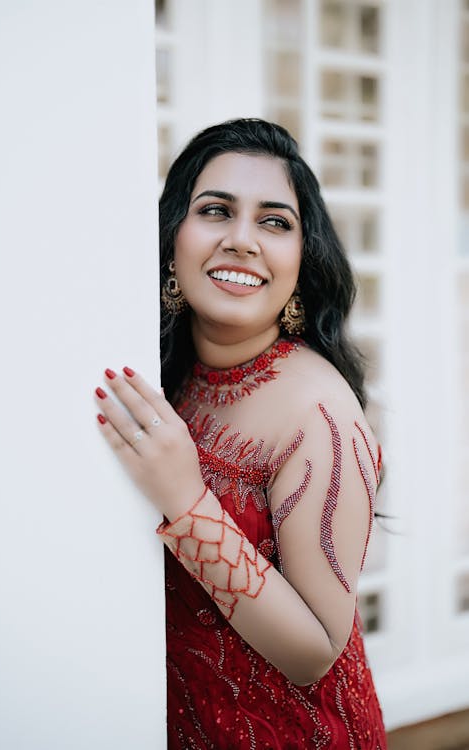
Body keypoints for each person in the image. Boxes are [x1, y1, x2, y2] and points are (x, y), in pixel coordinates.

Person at [94, 119, 387, 749]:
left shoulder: (319, 413)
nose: (242, 240)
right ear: (174, 237)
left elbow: (315, 651)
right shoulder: (164, 370)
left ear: (304, 256)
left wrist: (186, 500)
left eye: (274, 222)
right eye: (216, 211)